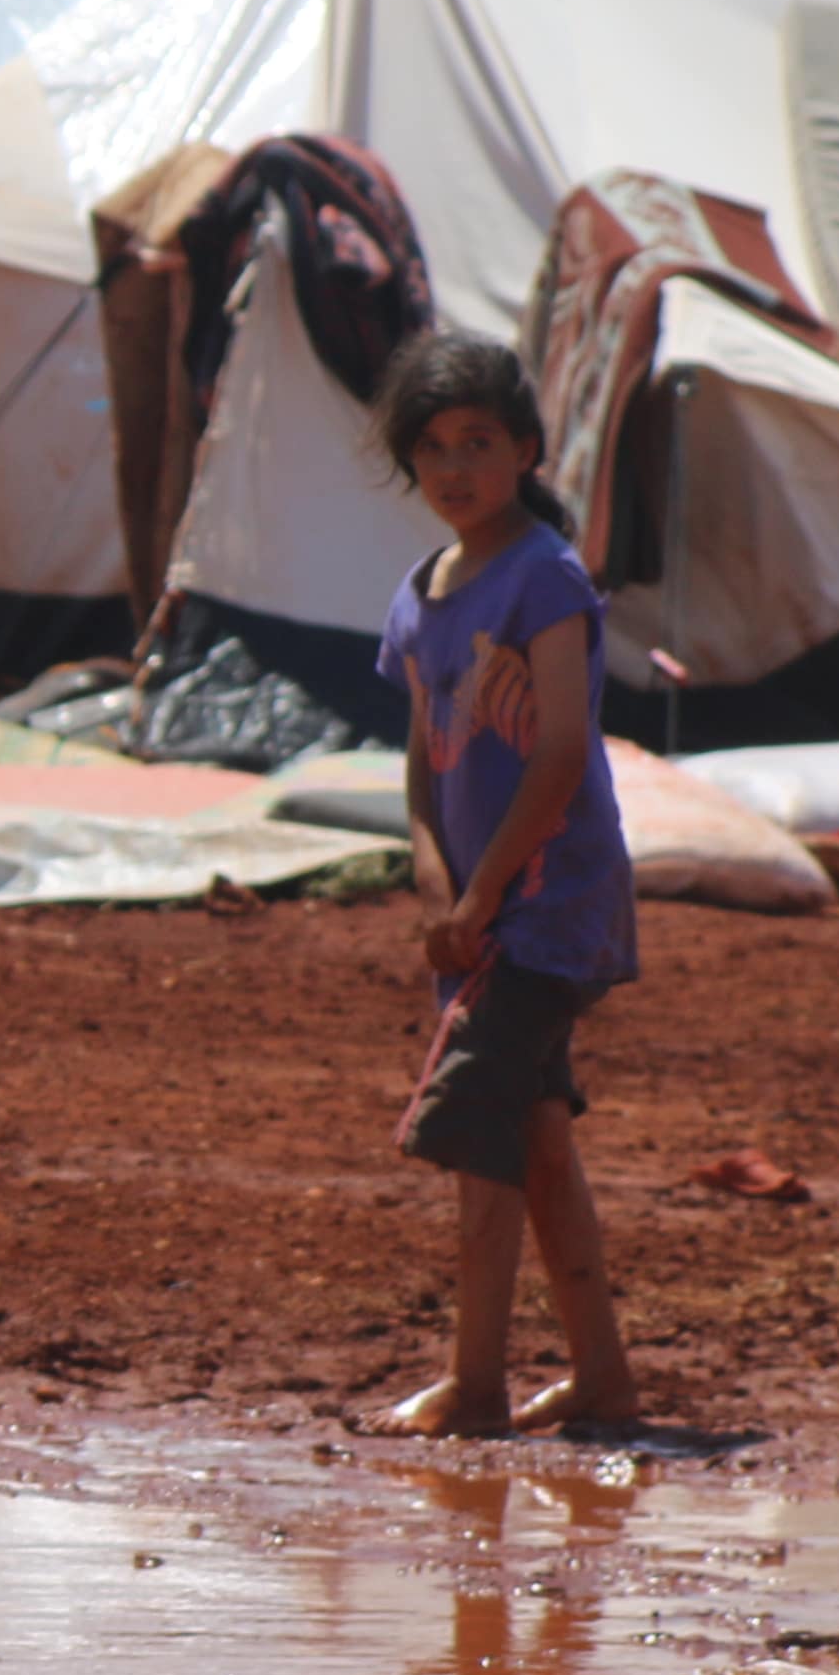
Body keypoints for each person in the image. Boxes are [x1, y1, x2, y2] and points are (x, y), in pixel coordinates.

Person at [366, 331, 644, 1441]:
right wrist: (440, 887)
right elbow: (420, 762)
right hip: (480, 914)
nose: (454, 468)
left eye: (478, 443)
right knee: (531, 1137)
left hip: (547, 903)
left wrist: (482, 899)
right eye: (432, 448)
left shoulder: (546, 577)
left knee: (476, 1132)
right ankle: (604, 1382)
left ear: (525, 449)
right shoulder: (419, 595)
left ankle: (475, 1385)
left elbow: (562, 750)